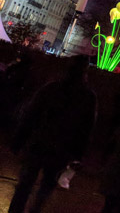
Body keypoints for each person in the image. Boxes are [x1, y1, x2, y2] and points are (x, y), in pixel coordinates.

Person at [7, 55, 96, 213]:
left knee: (24, 185)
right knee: (45, 188)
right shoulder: (88, 97)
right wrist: (78, 154)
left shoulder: (51, 88)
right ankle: (34, 210)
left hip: (39, 143)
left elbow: (31, 115)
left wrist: (18, 140)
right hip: (62, 150)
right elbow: (86, 129)